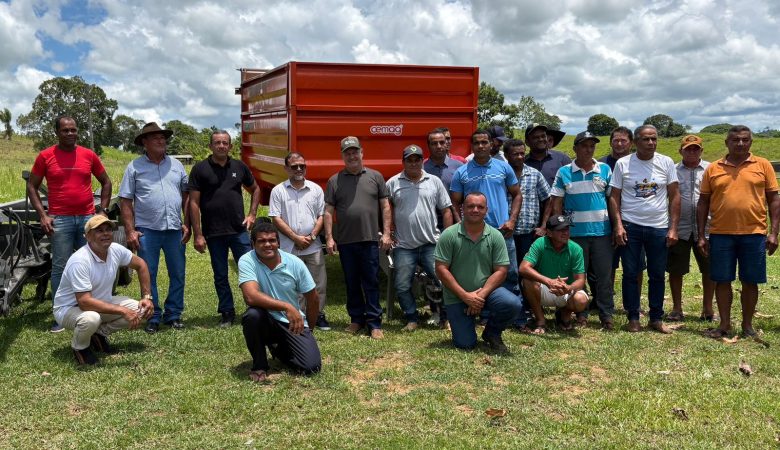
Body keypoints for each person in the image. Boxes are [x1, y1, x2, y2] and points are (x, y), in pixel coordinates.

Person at [27, 116, 112, 332]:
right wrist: (43, 215)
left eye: (73, 130)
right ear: (57, 132)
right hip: (60, 219)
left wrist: (102, 210)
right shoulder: (46, 156)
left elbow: (106, 182)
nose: (70, 134)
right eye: (65, 130)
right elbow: (32, 186)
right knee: (61, 267)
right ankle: (61, 314)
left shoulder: (88, 155)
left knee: (93, 263)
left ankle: (94, 310)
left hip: (86, 218)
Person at [697, 125, 780, 338]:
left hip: (754, 233)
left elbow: (774, 200)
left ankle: (747, 326)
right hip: (720, 234)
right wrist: (701, 236)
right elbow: (703, 202)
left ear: (750, 142)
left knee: (750, 280)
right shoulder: (713, 168)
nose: (740, 143)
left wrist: (773, 233)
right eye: (735, 140)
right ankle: (724, 325)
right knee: (722, 279)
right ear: (727, 143)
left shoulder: (763, 165)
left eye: (744, 139)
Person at [52, 215, 153, 365]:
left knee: (142, 310)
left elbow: (141, 265)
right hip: (69, 309)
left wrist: (147, 297)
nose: (105, 233)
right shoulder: (80, 260)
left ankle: (99, 334)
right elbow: (84, 302)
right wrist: (122, 311)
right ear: (87, 236)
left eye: (108, 230)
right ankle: (80, 348)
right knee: (91, 318)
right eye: (99, 231)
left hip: (99, 302)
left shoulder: (115, 249)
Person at [119, 122, 190, 333]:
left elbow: (187, 196)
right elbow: (125, 201)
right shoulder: (134, 167)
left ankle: (174, 314)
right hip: (147, 230)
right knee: (148, 273)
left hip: (174, 229)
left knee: (177, 272)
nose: (161, 141)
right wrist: (130, 231)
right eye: (155, 138)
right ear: (144, 142)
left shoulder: (177, 165)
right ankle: (153, 315)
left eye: (163, 137)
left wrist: (188, 223)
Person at [609, 125, 680, 333]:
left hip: (658, 227)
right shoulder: (623, 164)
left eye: (654, 139)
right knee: (631, 273)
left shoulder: (665, 162)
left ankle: (656, 318)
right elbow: (614, 196)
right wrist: (618, 225)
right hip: (631, 225)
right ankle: (633, 317)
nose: (651, 143)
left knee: (657, 273)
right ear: (635, 142)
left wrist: (673, 228)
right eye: (646, 139)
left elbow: (675, 196)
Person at [434, 192, 522, 352]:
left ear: (486, 210)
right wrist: (465, 296)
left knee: (512, 304)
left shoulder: (496, 236)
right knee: (465, 344)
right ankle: (465, 327)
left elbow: (501, 270)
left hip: (487, 293)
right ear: (462, 209)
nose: (475, 210)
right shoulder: (449, 235)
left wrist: (479, 297)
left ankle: (492, 333)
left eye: (480, 207)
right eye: (470, 206)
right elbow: (441, 269)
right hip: (456, 296)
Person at [189, 130, 260, 327]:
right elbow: (193, 203)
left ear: (230, 146)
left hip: (238, 231)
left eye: (225, 143)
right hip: (213, 233)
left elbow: (255, 189)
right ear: (210, 146)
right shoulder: (200, 169)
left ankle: (254, 307)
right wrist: (198, 234)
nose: (221, 146)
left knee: (249, 271)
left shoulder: (239, 166)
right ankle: (227, 312)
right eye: (217, 143)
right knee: (220, 274)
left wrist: (252, 214)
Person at [324, 136, 393, 339]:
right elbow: (328, 211)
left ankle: (374, 323)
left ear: (362, 152)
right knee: (351, 281)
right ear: (342, 156)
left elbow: (385, 206)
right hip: (346, 240)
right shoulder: (334, 180)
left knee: (370, 281)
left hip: (370, 239)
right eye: (347, 153)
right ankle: (356, 319)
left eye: (355, 151)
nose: (352, 156)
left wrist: (387, 233)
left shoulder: (375, 176)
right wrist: (329, 237)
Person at [239, 221, 321, 382]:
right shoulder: (247, 260)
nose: (267, 244)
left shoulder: (294, 263)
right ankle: (260, 365)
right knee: (252, 316)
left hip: (290, 322)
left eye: (272, 240)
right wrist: (286, 306)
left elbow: (313, 298)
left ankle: (279, 348)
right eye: (262, 241)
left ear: (278, 242)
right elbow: (250, 296)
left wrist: (309, 329)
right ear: (253, 244)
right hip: (265, 320)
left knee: (311, 367)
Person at [549, 131, 614, 330]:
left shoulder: (604, 169)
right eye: (584, 145)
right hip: (575, 234)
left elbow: (612, 200)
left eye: (591, 145)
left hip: (602, 232)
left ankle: (606, 315)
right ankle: (581, 314)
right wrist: (562, 229)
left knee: (604, 276)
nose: (588, 149)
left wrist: (616, 225)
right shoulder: (564, 172)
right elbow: (556, 202)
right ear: (575, 148)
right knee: (578, 275)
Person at [387, 144, 453, 330]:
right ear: (404, 162)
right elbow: (384, 208)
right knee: (401, 285)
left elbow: (446, 210)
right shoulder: (393, 183)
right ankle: (412, 319)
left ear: (421, 161)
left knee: (445, 281)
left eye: (417, 160)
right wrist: (387, 231)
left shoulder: (434, 181)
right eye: (410, 160)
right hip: (404, 245)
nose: (414, 163)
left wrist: (447, 237)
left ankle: (446, 318)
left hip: (431, 243)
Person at [451, 130, 522, 298]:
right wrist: (460, 224)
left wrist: (512, 220)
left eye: (484, 142)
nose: (481, 146)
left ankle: (515, 315)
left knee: (510, 272)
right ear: (472, 146)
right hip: (475, 234)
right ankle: (484, 312)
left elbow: (517, 194)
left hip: (503, 230)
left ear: (491, 144)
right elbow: (454, 202)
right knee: (480, 274)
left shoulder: (504, 167)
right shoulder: (461, 172)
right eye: (477, 143)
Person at [268, 152, 330, 330]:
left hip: (313, 247)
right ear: (286, 168)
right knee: (292, 284)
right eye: (294, 166)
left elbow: (321, 215)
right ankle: (298, 316)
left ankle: (318, 315)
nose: (298, 169)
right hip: (289, 247)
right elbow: (276, 218)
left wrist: (310, 238)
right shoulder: (278, 190)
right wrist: (295, 238)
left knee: (318, 284)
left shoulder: (315, 189)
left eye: (302, 166)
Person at [665, 135, 715, 322]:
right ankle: (677, 308)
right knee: (676, 269)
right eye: (688, 149)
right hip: (679, 227)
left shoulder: (711, 169)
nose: (692, 152)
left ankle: (708, 308)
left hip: (708, 226)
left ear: (701, 151)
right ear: (681, 151)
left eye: (696, 149)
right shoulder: (673, 170)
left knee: (709, 269)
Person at [519, 215, 589, 333]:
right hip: (543, 288)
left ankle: (564, 315)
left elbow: (581, 280)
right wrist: (549, 281)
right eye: (561, 230)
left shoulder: (576, 249)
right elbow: (523, 268)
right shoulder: (540, 243)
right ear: (549, 233)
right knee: (527, 281)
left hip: (565, 290)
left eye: (567, 229)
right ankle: (540, 320)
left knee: (581, 300)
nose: (565, 233)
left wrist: (569, 288)